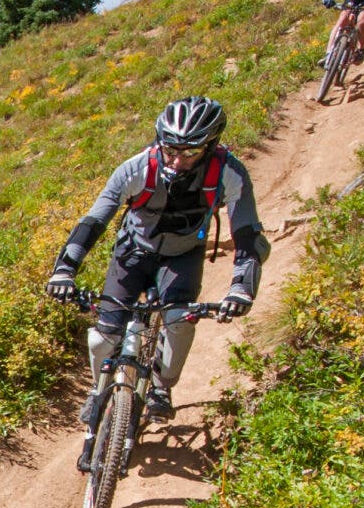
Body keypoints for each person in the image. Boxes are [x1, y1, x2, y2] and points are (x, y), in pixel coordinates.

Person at [44, 97, 267, 466]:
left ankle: (163, 386)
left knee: (180, 321)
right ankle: (97, 388)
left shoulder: (230, 172)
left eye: (191, 151)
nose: (177, 160)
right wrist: (64, 270)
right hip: (133, 252)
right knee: (103, 335)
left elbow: (248, 234)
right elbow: (94, 221)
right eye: (170, 148)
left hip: (183, 256)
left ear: (210, 146)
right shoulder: (137, 168)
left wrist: (242, 287)